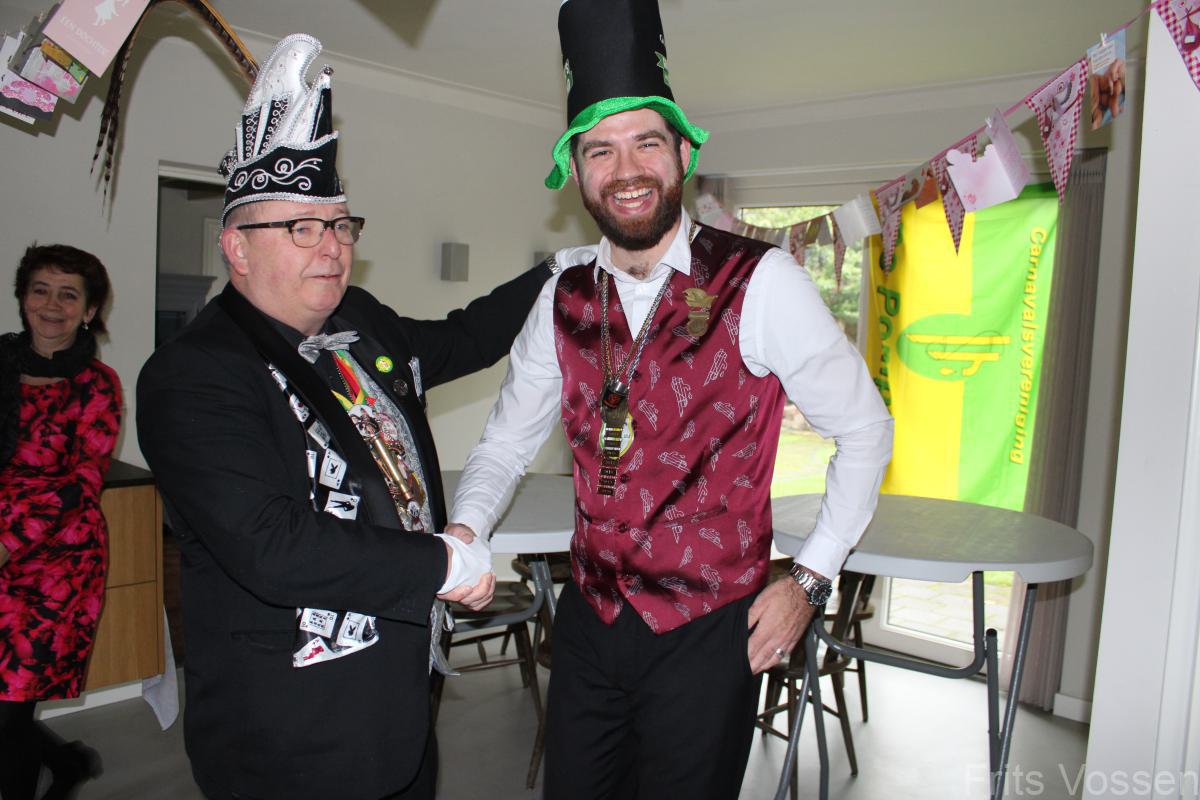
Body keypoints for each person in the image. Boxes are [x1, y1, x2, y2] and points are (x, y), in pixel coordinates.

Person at [448, 2, 894, 797]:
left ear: (684, 152)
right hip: (589, 623)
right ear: (575, 170)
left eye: (646, 142)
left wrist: (810, 581)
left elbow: (866, 431)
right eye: (600, 149)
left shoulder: (761, 282)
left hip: (709, 631)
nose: (626, 169)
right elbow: (505, 444)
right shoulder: (560, 297)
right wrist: (465, 528)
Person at [136, 34, 586, 800]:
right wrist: (441, 563)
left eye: (340, 225)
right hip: (291, 726)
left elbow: (462, 339)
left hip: (400, 697)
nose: (332, 248)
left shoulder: (360, 320)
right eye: (301, 227)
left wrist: (554, 273)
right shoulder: (194, 375)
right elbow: (273, 546)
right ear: (236, 248)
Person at [0, 244, 119, 800]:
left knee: (11, 704)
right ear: (23, 298)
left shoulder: (98, 384)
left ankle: (57, 769)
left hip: (58, 561)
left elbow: (82, 482)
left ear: (89, 310)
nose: (51, 305)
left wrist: (8, 541)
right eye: (40, 290)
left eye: (68, 295)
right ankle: (67, 762)